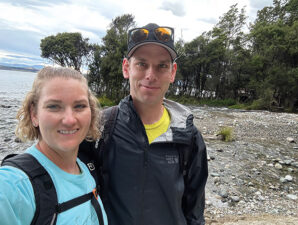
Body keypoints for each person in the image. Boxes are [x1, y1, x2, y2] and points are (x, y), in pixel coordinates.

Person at [80, 23, 208, 225]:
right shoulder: (101, 127)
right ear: (126, 68)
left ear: (172, 72)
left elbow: (195, 210)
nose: (150, 75)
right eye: (141, 64)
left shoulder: (188, 136)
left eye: (161, 66)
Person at [0, 67, 108, 225]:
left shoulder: (85, 170)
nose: (69, 120)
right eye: (54, 106)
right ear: (34, 114)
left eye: (79, 106)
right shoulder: (14, 187)